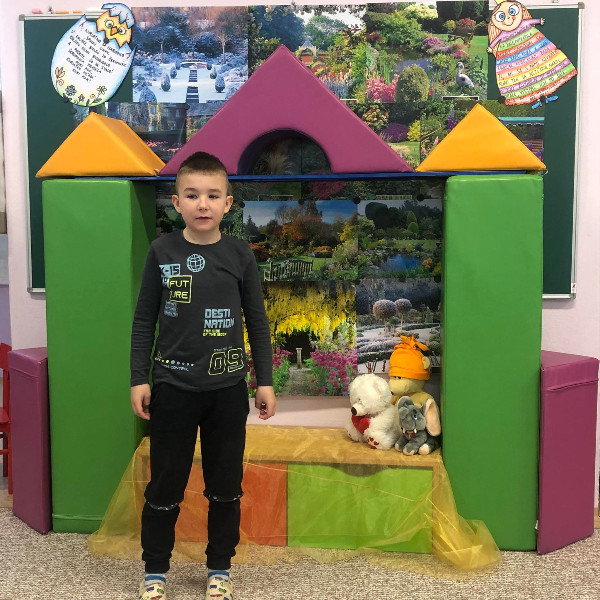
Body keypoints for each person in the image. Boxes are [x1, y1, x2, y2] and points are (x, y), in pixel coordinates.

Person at [130, 151, 276, 600]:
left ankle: (219, 569)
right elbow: (144, 319)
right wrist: (139, 377)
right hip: (172, 389)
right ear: (177, 203)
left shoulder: (239, 254)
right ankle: (155, 570)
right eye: (192, 195)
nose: (203, 204)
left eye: (213, 195)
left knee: (225, 486)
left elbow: (257, 321)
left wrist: (265, 381)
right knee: (164, 484)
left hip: (226, 392)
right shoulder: (162, 251)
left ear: (228, 204)